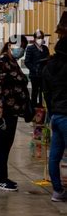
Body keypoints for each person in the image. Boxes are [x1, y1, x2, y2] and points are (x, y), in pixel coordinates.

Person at [0, 39, 30, 191]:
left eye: (24, 48)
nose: (22, 51)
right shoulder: (1, 61)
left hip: (12, 110)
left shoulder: (12, 62)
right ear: (10, 46)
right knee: (2, 143)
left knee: (7, 144)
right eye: (21, 47)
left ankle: (2, 176)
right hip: (3, 110)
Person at [43, 15, 67, 202]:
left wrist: (51, 112)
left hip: (57, 115)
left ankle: (57, 191)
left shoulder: (49, 65)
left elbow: (47, 92)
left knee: (55, 155)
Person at [25, 29, 50, 107]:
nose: (40, 39)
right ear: (35, 38)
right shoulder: (30, 48)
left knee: (43, 92)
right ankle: (33, 107)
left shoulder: (45, 48)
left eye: (42, 37)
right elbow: (27, 62)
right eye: (39, 37)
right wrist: (35, 69)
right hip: (34, 75)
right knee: (35, 92)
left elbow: (48, 60)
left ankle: (41, 107)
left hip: (44, 75)